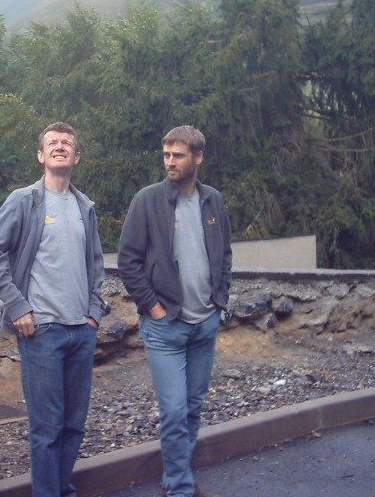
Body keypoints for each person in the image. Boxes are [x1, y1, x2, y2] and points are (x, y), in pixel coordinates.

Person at [0, 122, 107, 497]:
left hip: (81, 330)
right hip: (41, 331)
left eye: (67, 143)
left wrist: (93, 314)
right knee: (46, 427)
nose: (60, 147)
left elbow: (97, 264)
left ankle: (61, 489)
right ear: (41, 155)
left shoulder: (83, 205)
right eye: (52, 143)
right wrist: (18, 305)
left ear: (76, 157)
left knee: (74, 425)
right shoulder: (24, 200)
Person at [117, 125, 231, 497]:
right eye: (166, 155)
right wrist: (153, 307)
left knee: (193, 408)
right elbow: (128, 261)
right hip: (165, 327)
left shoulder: (212, 200)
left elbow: (225, 255)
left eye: (178, 155)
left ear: (197, 157)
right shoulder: (147, 200)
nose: (170, 162)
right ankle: (181, 489)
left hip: (205, 323)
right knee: (174, 412)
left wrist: (220, 302)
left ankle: (178, 480)